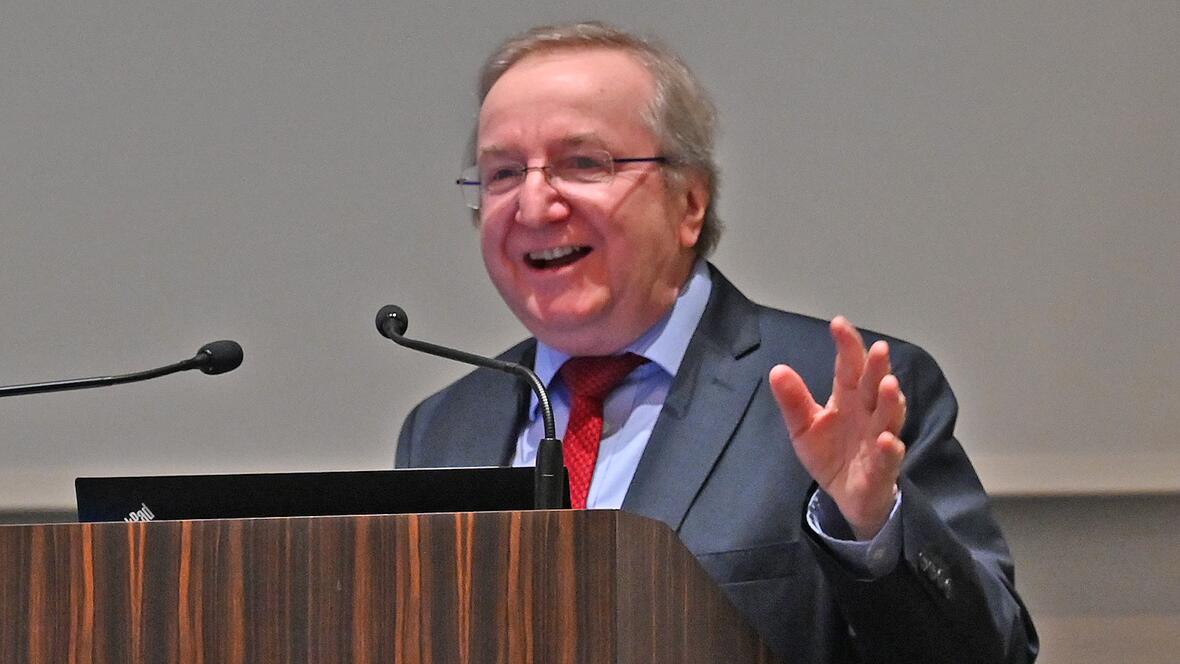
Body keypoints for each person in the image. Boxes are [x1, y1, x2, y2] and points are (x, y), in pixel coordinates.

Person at [396, 22, 1037, 663]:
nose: (534, 206)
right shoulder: (445, 428)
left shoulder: (844, 395)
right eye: (503, 173)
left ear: (690, 202)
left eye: (582, 164)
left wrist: (874, 528)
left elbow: (992, 655)